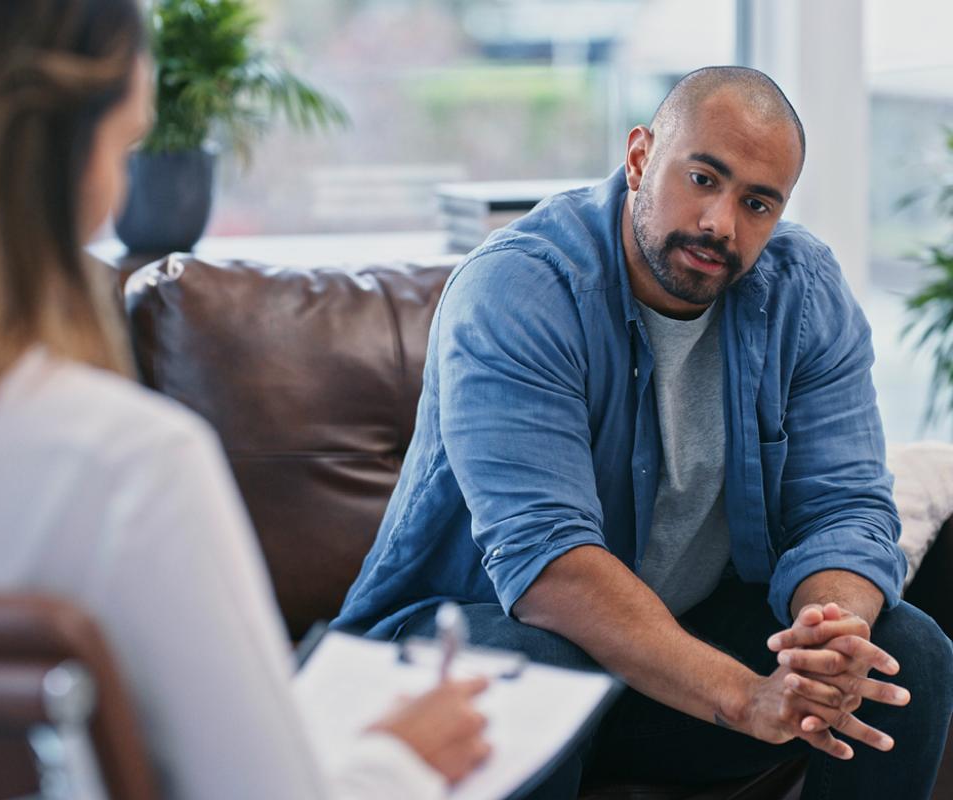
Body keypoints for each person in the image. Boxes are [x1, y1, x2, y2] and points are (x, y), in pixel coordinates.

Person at [0, 1, 492, 798]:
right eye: (124, 148)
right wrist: (395, 759)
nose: (115, 189)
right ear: (51, 163)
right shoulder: (125, 467)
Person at [334, 66, 953, 798]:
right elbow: (551, 567)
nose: (722, 223)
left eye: (757, 203)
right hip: (472, 659)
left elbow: (843, 507)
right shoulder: (520, 289)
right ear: (639, 158)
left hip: (666, 672)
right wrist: (743, 695)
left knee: (902, 651)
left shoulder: (804, 294)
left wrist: (832, 636)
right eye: (702, 178)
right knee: (522, 662)